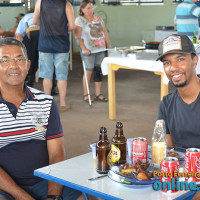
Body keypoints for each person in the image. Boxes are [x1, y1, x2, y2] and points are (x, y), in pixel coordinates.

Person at [0, 38, 82, 200]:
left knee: (89, 197)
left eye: (19, 59)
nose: (13, 66)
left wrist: (53, 196)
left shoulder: (46, 102)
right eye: (4, 60)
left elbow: (56, 153)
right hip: (5, 188)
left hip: (45, 182)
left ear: (28, 65)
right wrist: (24, 197)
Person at [156, 34, 200, 200]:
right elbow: (169, 153)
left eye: (180, 59)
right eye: (167, 63)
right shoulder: (166, 104)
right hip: (182, 179)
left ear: (194, 61)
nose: (173, 67)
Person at [33, 0, 75, 112]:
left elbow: (34, 21)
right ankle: (62, 104)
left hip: (45, 43)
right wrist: (60, 28)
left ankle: (48, 105)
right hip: (61, 44)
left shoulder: (39, 3)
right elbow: (72, 26)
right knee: (61, 75)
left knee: (47, 75)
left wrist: (45, 25)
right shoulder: (66, 4)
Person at [74, 0, 111, 103]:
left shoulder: (98, 18)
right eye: (88, 8)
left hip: (100, 49)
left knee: (99, 71)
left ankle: (98, 94)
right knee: (88, 71)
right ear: (82, 9)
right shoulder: (79, 20)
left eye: (91, 8)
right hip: (89, 50)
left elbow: (104, 31)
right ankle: (86, 94)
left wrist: (108, 44)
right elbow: (77, 36)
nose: (90, 10)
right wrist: (83, 48)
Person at [15, 8, 40, 87]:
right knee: (45, 59)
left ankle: (30, 82)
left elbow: (18, 35)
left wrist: (18, 48)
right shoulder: (42, 15)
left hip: (30, 35)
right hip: (43, 35)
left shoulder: (25, 17)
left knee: (30, 58)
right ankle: (53, 86)